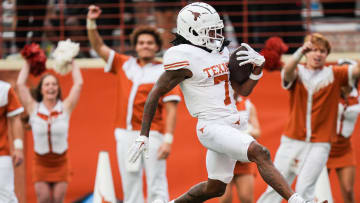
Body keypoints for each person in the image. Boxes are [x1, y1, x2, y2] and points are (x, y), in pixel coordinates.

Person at [128, 2, 316, 203]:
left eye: (217, 29)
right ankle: (297, 200)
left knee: (215, 188)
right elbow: (155, 94)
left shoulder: (221, 51)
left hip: (230, 123)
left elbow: (241, 90)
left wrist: (257, 70)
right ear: (192, 31)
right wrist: (143, 134)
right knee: (260, 152)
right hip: (210, 125)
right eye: (210, 31)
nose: (216, 35)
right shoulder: (183, 57)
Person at [87, 5, 181, 203]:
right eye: (141, 42)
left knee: (157, 184)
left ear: (157, 46)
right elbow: (99, 47)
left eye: (149, 42)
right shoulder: (124, 64)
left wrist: (169, 139)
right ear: (135, 46)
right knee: (130, 183)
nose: (145, 45)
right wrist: (91, 22)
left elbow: (171, 109)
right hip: (125, 133)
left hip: (153, 134)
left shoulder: (164, 71)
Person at [257, 33, 360, 203]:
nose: (318, 54)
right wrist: (298, 53)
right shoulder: (298, 72)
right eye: (313, 50)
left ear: (327, 55)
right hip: (292, 140)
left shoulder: (334, 73)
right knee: (274, 188)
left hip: (320, 144)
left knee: (305, 189)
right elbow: (288, 72)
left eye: (322, 51)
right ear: (306, 52)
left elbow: (356, 70)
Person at [16, 61, 83, 203]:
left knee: (58, 199)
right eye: (47, 84)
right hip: (41, 162)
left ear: (58, 88)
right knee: (44, 198)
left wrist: (72, 61)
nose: (50, 87)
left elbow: (79, 84)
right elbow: (20, 85)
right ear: (41, 90)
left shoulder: (66, 107)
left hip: (61, 161)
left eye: (54, 84)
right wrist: (29, 61)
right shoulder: (33, 107)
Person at [326, 59, 359, 203]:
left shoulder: (356, 96)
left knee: (348, 190)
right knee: (319, 193)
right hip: (323, 148)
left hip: (344, 149)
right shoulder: (327, 92)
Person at [219, 95, 261, 203]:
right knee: (224, 199)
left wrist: (246, 132)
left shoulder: (247, 106)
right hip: (224, 159)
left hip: (243, 159)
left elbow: (257, 131)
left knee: (246, 198)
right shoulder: (219, 105)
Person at [0, 80, 24, 202]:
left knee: (5, 196)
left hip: (1, 153)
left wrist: (18, 147)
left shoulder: (4, 89)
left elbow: (15, 118)